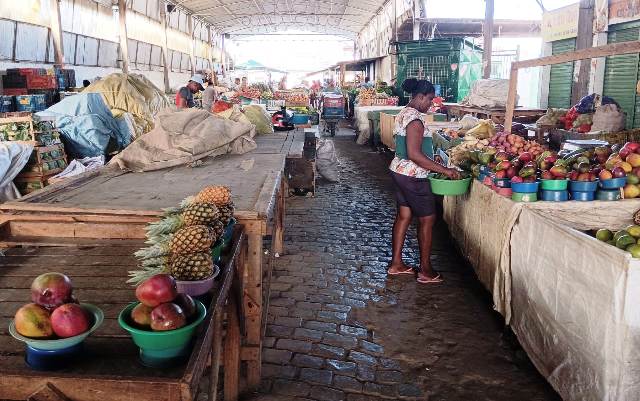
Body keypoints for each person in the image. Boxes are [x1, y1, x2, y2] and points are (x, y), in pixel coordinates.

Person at [388, 78, 460, 284]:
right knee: (427, 219)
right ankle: (426, 270)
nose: (431, 104)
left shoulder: (405, 113)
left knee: (404, 215)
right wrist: (445, 170)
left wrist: (431, 157)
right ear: (420, 97)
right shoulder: (415, 120)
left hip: (399, 171)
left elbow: (409, 147)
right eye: (429, 99)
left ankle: (396, 264)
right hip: (413, 175)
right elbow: (414, 154)